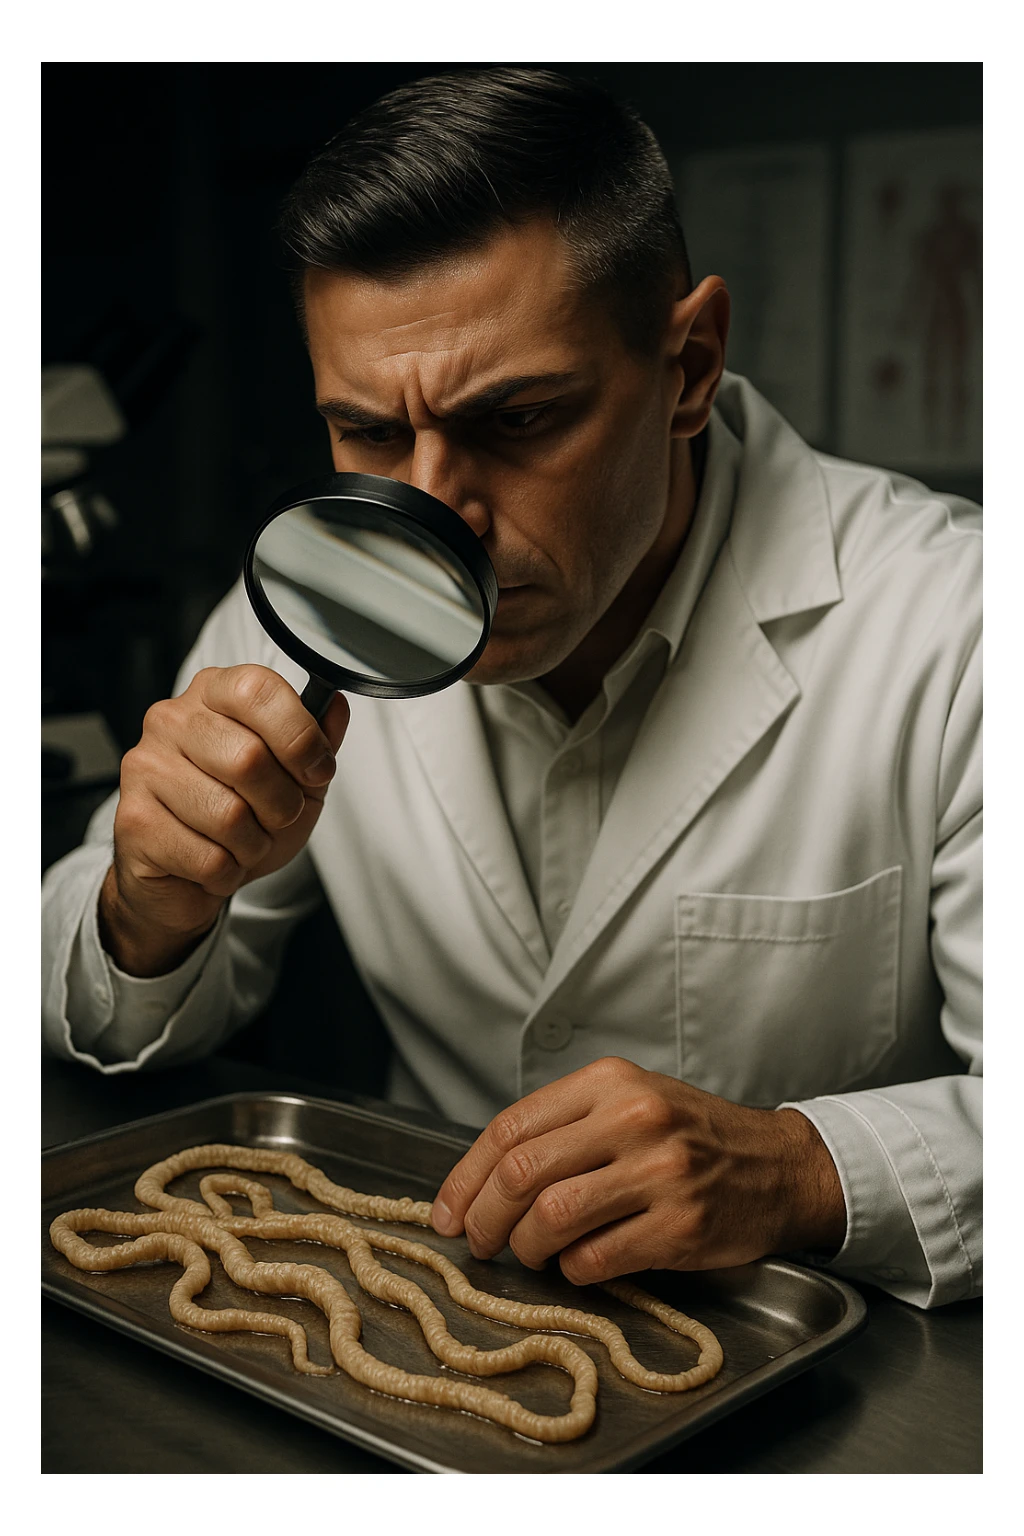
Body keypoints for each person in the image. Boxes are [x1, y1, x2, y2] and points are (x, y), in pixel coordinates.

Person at [41, 68, 981, 1310]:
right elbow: (93, 998)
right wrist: (146, 904)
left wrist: (800, 1171)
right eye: (371, 434)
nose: (433, 524)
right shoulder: (309, 612)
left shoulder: (959, 627)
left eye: (519, 419)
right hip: (414, 1311)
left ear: (689, 363)